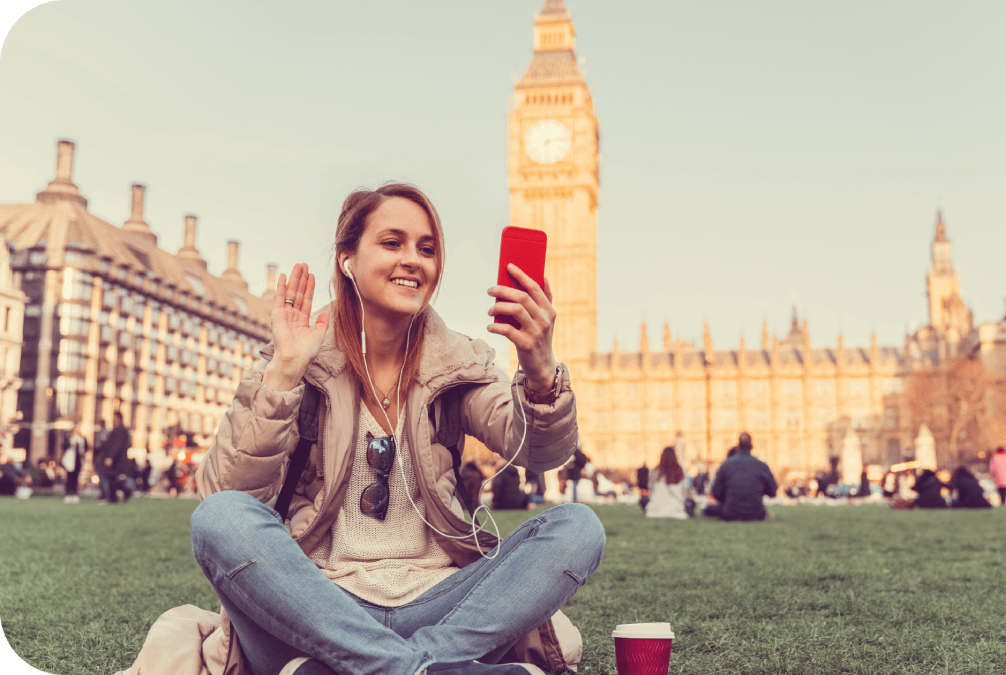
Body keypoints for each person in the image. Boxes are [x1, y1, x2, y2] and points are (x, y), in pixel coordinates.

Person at [115, 183, 605, 675]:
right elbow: (228, 494)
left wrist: (541, 372)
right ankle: (428, 670)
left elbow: (539, 453)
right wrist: (285, 372)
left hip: (440, 607)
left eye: (427, 248)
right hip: (316, 607)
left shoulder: (458, 364)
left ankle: (380, 668)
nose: (413, 259)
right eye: (392, 243)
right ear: (347, 258)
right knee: (219, 518)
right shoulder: (300, 356)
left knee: (579, 528)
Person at [701, 433, 777, 521]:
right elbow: (773, 492)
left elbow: (716, 493)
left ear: (738, 446)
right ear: (752, 446)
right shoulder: (762, 466)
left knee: (708, 509)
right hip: (756, 513)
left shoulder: (726, 464)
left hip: (729, 513)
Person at [644, 446, 691, 520]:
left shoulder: (654, 471)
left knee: (643, 500)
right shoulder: (681, 471)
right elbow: (686, 492)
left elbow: (651, 490)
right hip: (676, 509)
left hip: (655, 510)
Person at [101, 411, 134, 503]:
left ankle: (116, 497)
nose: (113, 419)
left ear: (118, 418)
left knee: (112, 478)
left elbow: (116, 445)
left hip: (117, 459)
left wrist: (110, 457)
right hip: (117, 459)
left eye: (114, 417)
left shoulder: (120, 430)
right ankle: (119, 495)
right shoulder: (122, 429)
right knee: (113, 479)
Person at [62, 424, 87, 504]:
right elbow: (64, 446)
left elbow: (86, 448)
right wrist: (71, 442)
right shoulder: (69, 437)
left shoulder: (82, 438)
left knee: (76, 478)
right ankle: (68, 494)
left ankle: (75, 494)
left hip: (78, 460)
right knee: (69, 477)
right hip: (70, 460)